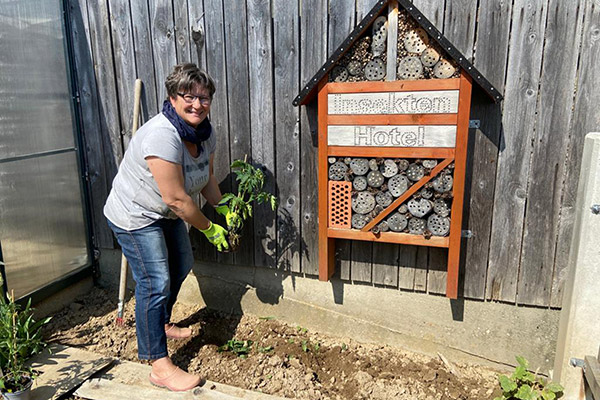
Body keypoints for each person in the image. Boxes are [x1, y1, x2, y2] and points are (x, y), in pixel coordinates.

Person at [103, 63, 232, 391]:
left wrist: (223, 205)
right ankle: (158, 363)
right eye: (189, 96)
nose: (197, 104)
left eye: (204, 98)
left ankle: (157, 322)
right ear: (173, 98)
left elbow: (206, 180)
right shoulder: (163, 135)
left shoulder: (206, 133)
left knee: (181, 265)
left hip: (166, 213)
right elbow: (176, 198)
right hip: (135, 215)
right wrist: (208, 228)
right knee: (154, 280)